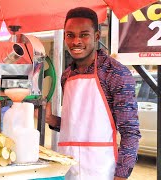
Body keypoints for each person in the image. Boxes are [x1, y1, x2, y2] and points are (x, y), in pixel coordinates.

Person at [46, 7, 141, 180]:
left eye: (84, 34)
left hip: (102, 171)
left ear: (97, 36)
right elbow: (78, 127)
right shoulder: (66, 75)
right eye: (70, 35)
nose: (76, 41)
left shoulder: (116, 73)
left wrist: (121, 176)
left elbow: (130, 132)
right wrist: (52, 120)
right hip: (67, 170)